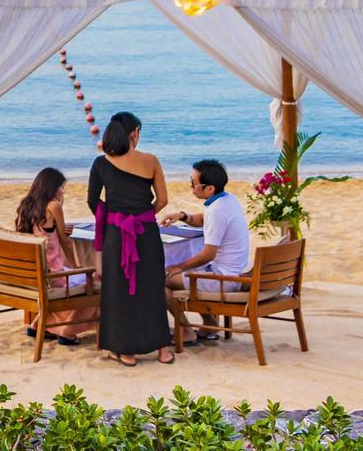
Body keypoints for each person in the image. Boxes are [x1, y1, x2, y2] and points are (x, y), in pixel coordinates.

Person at [88, 111, 175, 366]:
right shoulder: (151, 161)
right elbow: (163, 200)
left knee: (118, 291)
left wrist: (114, 219)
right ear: (135, 133)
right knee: (152, 288)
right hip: (146, 233)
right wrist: (144, 216)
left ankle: (126, 352)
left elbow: (93, 201)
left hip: (116, 235)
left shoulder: (101, 164)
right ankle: (163, 350)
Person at [162, 158, 251, 346]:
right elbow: (204, 218)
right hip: (235, 273)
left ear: (209, 188)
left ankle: (186, 331)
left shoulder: (217, 210)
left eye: (194, 183)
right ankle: (209, 326)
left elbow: (208, 253)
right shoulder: (227, 200)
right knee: (195, 270)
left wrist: (177, 267)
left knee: (160, 279)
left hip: (225, 280)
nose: (191, 187)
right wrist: (183, 216)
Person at [13, 167, 97, 345]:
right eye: (61, 187)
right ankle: (68, 331)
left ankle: (38, 325)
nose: (62, 191)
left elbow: (42, 233)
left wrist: (59, 231)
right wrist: (76, 266)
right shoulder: (53, 206)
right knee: (96, 282)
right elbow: (66, 243)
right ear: (51, 188)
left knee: (80, 280)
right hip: (52, 277)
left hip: (32, 276)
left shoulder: (25, 207)